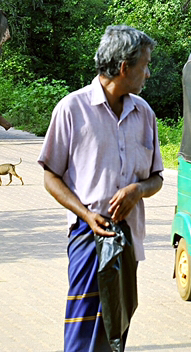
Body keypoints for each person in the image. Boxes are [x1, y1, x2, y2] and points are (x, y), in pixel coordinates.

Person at [39, 25, 163, 352]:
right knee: (82, 333)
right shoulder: (72, 109)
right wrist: (85, 214)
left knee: (115, 331)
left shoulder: (144, 114)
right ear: (124, 68)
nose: (148, 74)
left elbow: (157, 178)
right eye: (145, 65)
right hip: (87, 235)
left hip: (127, 240)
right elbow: (50, 175)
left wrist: (138, 190)